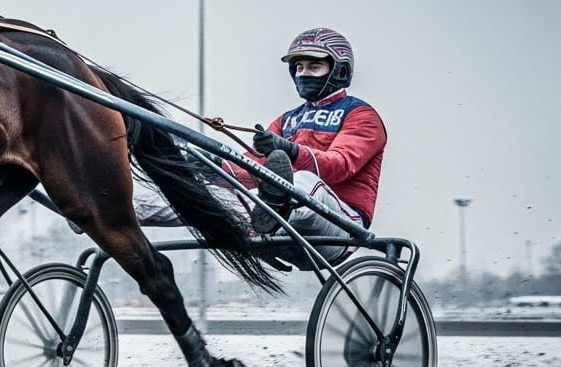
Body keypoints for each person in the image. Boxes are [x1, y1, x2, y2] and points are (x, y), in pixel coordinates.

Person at [134, 26, 387, 269]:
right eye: (299, 66)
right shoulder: (286, 120)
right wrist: (212, 165)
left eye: (314, 66)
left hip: (338, 228)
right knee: (198, 195)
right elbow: (253, 170)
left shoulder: (361, 116)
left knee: (302, 180)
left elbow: (339, 166)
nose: (303, 73)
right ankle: (112, 212)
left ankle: (273, 210)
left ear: (339, 71)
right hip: (278, 223)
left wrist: (289, 150)